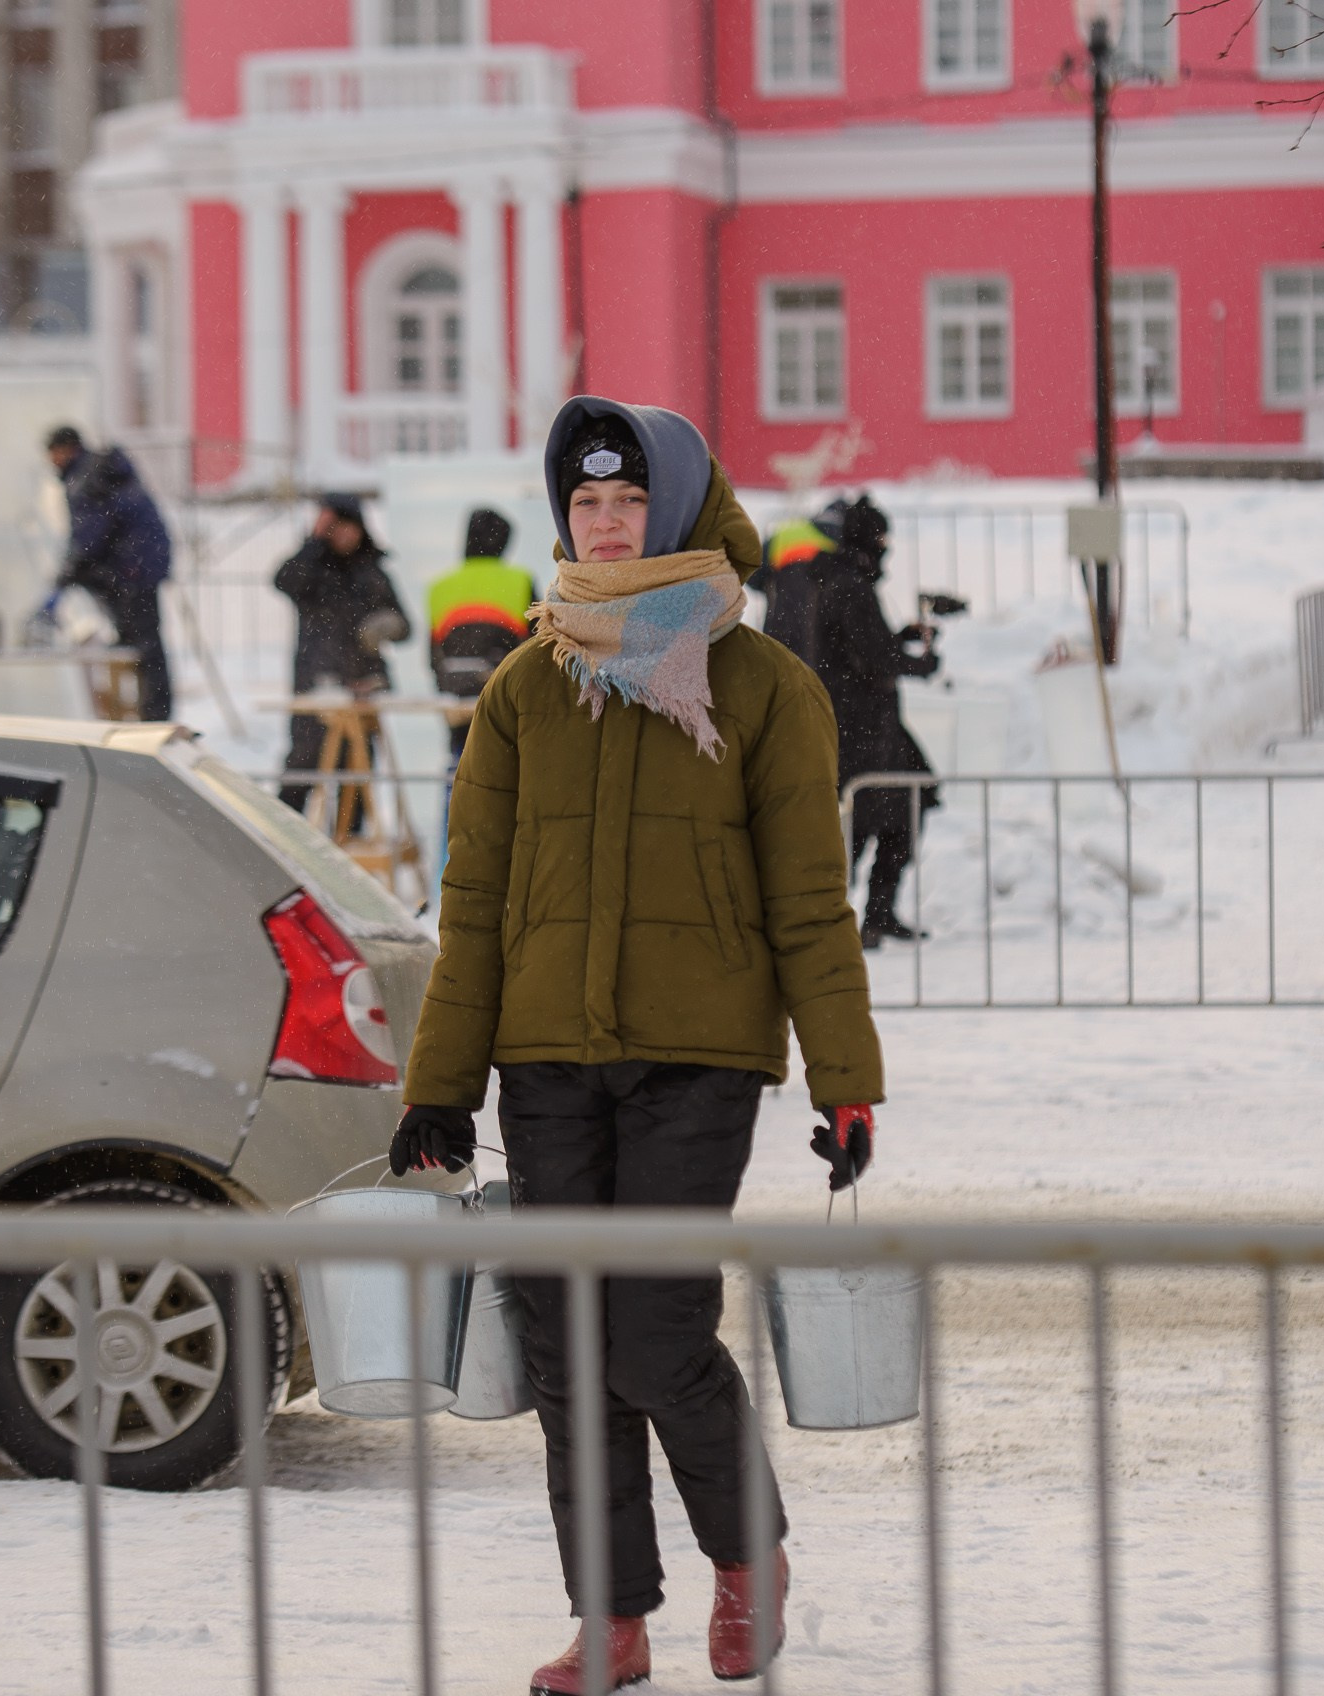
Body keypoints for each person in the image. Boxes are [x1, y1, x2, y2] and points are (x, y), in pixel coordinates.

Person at [390, 397, 884, 1696]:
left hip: (698, 1056)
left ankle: (747, 1556)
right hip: (547, 1054)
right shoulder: (525, 685)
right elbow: (476, 902)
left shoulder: (761, 686)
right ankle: (609, 1618)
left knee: (655, 1332)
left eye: (626, 501)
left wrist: (846, 1081)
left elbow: (810, 902)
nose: (604, 525)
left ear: (670, 508)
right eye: (584, 503)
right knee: (566, 1343)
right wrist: (440, 1086)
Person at [808, 495, 942, 948]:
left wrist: (901, 638)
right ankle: (833, 918)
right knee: (863, 820)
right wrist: (920, 664)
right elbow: (871, 658)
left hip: (871, 726)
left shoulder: (846, 580)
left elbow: (866, 646)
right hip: (859, 729)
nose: (887, 546)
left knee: (903, 806)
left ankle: (876, 914)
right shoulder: (850, 585)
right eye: (881, 537)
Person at [273, 491, 410, 813]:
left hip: (363, 686)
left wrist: (385, 625)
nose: (345, 535)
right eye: (336, 528)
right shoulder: (313, 570)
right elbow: (284, 580)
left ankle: (348, 838)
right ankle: (283, 834)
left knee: (356, 777)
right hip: (316, 685)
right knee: (302, 767)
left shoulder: (371, 571)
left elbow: (405, 627)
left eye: (350, 527)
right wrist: (314, 541)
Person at [47, 425, 176, 720]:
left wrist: (70, 572)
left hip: (132, 568)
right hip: (137, 565)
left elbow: (89, 533)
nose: (51, 461)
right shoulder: (97, 470)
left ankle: (154, 715)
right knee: (141, 643)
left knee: (143, 644)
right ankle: (148, 710)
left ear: (66, 449)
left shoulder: (87, 477)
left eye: (53, 453)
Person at [426, 507, 536, 760]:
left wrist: (444, 686)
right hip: (503, 691)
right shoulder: (520, 580)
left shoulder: (440, 586)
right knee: (505, 763)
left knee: (462, 760)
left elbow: (433, 654)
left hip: (457, 691)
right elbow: (538, 641)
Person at [749, 503, 842, 661]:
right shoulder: (846, 540)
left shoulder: (786, 532)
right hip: (821, 637)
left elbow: (753, 575)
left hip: (780, 627)